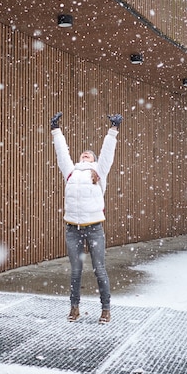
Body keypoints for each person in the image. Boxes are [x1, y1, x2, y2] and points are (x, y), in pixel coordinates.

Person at [50, 111, 123, 324]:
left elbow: (107, 153)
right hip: (72, 228)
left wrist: (113, 131)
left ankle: (106, 309)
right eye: (83, 153)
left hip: (94, 228)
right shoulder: (71, 172)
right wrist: (56, 130)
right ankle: (74, 308)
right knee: (75, 271)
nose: (85, 155)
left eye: (89, 154)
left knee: (99, 269)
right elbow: (62, 153)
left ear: (94, 160)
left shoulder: (99, 172)